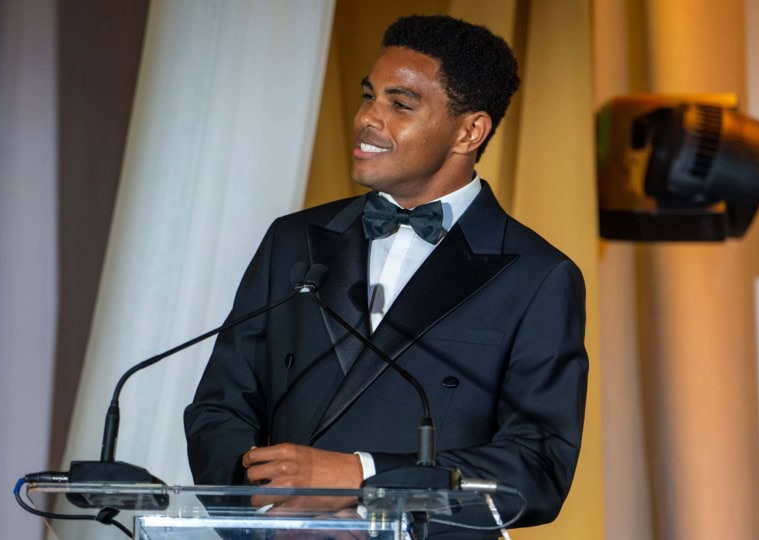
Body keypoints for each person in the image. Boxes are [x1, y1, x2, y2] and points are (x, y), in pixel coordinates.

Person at [184, 14, 588, 536]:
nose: (368, 119)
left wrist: (362, 476)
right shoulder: (293, 239)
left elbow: (537, 470)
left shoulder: (538, 276)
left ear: (470, 130)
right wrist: (262, 506)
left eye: (400, 104)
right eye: (368, 96)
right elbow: (219, 406)